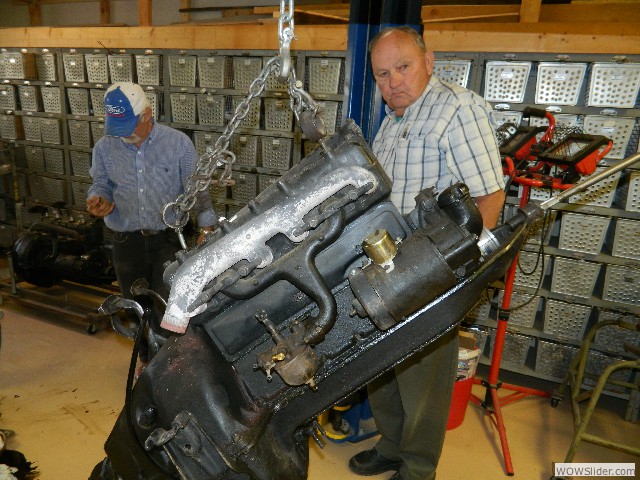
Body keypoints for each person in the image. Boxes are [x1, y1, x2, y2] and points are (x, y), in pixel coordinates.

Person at [348, 27, 505, 480]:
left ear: (429, 62)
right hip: (389, 266)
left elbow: (489, 197)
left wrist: (458, 275)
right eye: (382, 73)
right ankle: (394, 446)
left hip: (432, 268)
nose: (393, 81)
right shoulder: (395, 119)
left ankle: (418, 468)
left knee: (422, 375)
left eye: (403, 66)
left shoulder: (455, 109)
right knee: (384, 362)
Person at [87, 82, 218, 372]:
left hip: (168, 241)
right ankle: (147, 364)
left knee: (168, 309)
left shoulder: (178, 144)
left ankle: (169, 369)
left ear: (147, 114)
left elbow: (196, 190)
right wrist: (99, 198)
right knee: (133, 307)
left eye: (129, 126)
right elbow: (101, 183)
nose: (125, 137)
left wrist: (208, 226)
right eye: (117, 128)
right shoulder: (105, 147)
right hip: (126, 242)